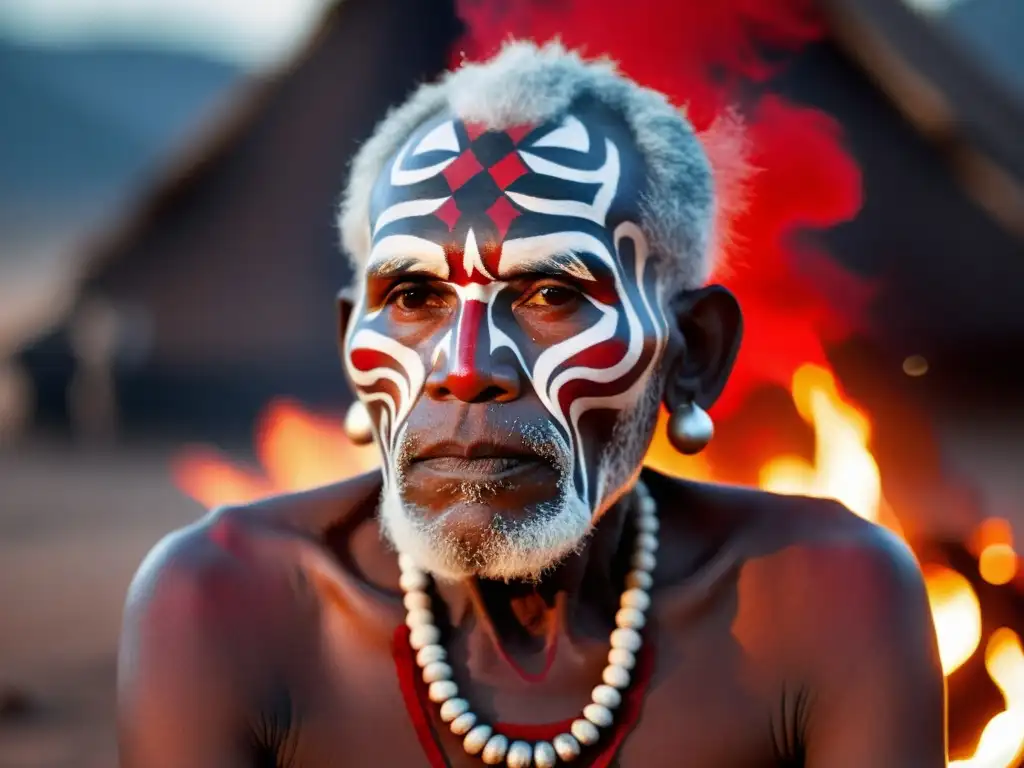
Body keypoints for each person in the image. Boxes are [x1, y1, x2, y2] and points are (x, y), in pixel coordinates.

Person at [117, 42, 946, 767]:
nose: (467, 367)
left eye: (551, 292)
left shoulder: (823, 602)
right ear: (351, 343)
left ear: (692, 353)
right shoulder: (222, 607)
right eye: (413, 296)